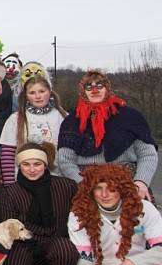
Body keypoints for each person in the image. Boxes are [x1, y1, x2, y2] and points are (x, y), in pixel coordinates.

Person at [57, 70, 158, 201]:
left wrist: (141, 182)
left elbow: (147, 154)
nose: (94, 90)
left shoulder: (131, 117)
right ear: (83, 91)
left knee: (140, 216)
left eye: (99, 86)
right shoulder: (71, 122)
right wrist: (83, 185)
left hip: (127, 178)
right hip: (87, 180)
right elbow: (65, 161)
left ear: (107, 88)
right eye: (89, 87)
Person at [0, 143, 78, 265]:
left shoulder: (66, 186)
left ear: (45, 164)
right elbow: (8, 228)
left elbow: (80, 216)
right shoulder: (11, 193)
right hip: (23, 244)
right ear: (19, 166)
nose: (32, 169)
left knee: (65, 248)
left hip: (55, 242)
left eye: (37, 164)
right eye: (26, 164)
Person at [0, 74, 67, 184]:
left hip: (57, 178)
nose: (38, 96)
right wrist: (10, 185)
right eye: (32, 93)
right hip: (23, 181)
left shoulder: (63, 117)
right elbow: (7, 155)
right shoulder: (15, 119)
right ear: (26, 96)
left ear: (50, 92)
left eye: (42, 91)